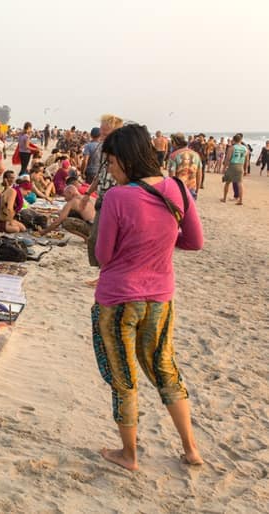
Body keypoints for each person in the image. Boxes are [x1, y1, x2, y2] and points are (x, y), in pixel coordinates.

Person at [91, 123, 203, 471]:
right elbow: (194, 241)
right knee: (166, 369)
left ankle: (129, 455)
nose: (109, 170)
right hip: (160, 299)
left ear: (125, 159)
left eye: (110, 163)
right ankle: (190, 449)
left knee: (123, 378)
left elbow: (103, 255)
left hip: (117, 299)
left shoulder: (117, 198)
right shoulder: (178, 190)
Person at [81, 113, 124, 270]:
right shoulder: (105, 149)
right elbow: (100, 175)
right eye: (101, 131)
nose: (101, 135)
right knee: (96, 239)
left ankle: (105, 273)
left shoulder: (121, 151)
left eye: (105, 133)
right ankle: (103, 272)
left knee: (104, 239)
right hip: (103, 197)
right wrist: (87, 194)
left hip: (115, 200)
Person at [167, 132, 202, 199]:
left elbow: (172, 176)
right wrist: (197, 189)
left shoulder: (173, 156)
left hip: (179, 190)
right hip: (192, 188)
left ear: (174, 142)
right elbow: (199, 174)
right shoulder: (196, 155)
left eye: (172, 142)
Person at [221, 134, 248, 205]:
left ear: (234, 140)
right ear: (241, 140)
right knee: (240, 183)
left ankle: (224, 198)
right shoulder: (245, 148)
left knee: (227, 182)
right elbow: (246, 160)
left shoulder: (232, 148)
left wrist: (224, 168)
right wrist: (245, 169)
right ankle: (240, 200)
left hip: (233, 166)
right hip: (240, 166)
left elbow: (227, 159)